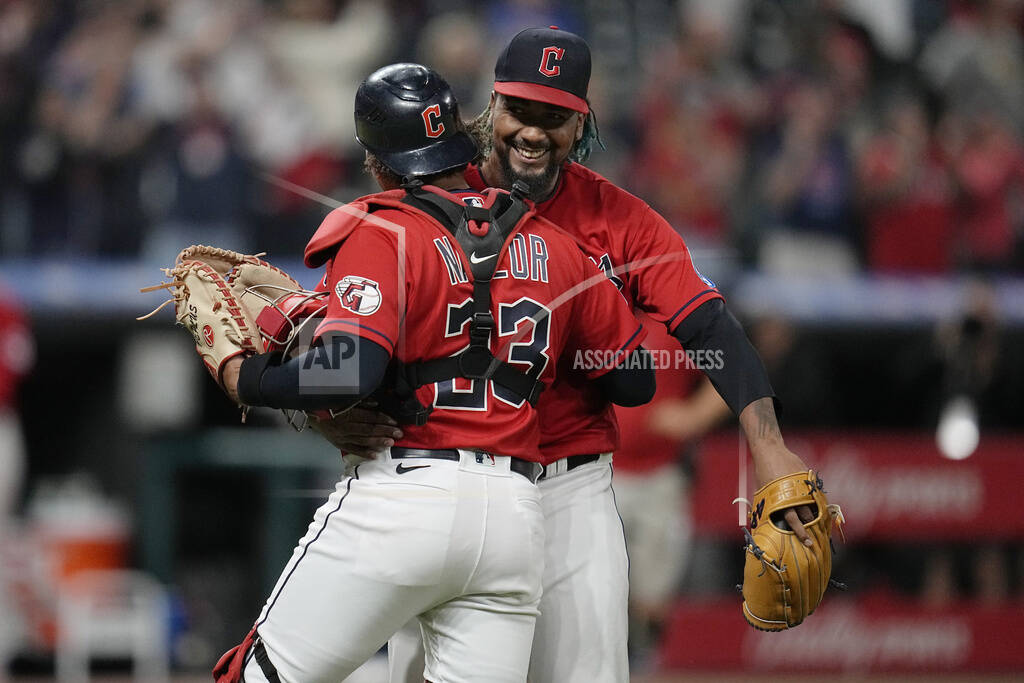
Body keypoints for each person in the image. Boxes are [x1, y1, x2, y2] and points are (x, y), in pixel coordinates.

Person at [357, 27, 820, 683]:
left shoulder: (620, 220)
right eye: (521, 109)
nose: (534, 131)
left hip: (567, 488)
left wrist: (767, 443)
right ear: (493, 105)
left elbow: (712, 331)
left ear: (583, 122)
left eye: (557, 116)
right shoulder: (431, 194)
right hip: (448, 483)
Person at [213, 63, 654, 683]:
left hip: (404, 496)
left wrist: (247, 379)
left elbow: (347, 373)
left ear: (376, 161)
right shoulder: (552, 240)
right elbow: (636, 381)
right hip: (514, 517)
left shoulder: (383, 227)